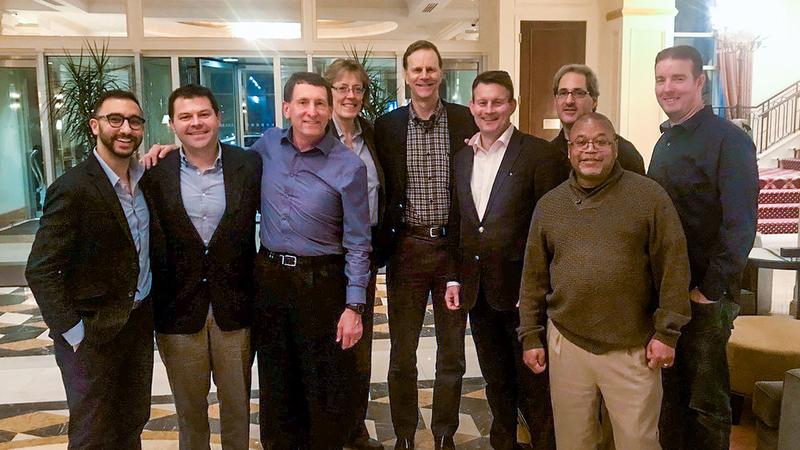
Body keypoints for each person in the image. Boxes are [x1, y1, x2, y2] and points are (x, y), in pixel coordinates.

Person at [518, 112, 691, 450]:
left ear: (615, 147)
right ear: (569, 150)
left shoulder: (649, 198)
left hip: (633, 347)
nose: (590, 149)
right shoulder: (550, 206)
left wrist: (667, 332)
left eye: (600, 142)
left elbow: (674, 266)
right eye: (581, 142)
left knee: (637, 442)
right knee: (574, 442)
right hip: (568, 343)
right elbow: (533, 277)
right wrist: (530, 336)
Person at [26, 90, 159, 449]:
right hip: (91, 333)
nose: (125, 129)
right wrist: (74, 332)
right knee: (93, 431)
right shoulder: (73, 187)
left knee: (132, 421)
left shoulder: (147, 181)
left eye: (134, 121)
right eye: (115, 119)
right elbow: (40, 269)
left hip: (136, 325)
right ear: (94, 125)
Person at [250, 72, 372, 449]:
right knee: (276, 384)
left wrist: (354, 305)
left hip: (322, 284)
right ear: (286, 108)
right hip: (270, 280)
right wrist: (170, 153)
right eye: (302, 102)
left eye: (320, 103)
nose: (311, 111)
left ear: (330, 109)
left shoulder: (349, 167)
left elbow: (358, 243)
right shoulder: (266, 146)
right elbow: (224, 168)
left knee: (324, 388)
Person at [649, 45, 759, 450]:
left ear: (699, 82)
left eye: (678, 78)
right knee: (671, 401)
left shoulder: (729, 141)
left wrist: (709, 291)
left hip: (704, 299)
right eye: (661, 79)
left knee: (706, 405)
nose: (667, 88)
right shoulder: (666, 141)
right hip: (670, 296)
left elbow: (740, 225)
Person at [443, 70, 559, 449]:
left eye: (497, 102)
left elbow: (551, 230)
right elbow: (460, 222)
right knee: (496, 382)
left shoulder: (539, 154)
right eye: (481, 102)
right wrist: (454, 278)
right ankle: (503, 442)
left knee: (535, 385)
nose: (488, 109)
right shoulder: (461, 158)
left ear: (512, 105)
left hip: (523, 294)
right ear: (472, 106)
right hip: (479, 292)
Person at [374, 40, 478, 450]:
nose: (424, 76)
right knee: (402, 352)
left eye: (431, 69)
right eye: (416, 69)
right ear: (405, 74)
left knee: (452, 351)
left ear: (441, 73)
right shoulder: (388, 126)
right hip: (406, 251)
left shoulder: (464, 121)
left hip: (452, 251)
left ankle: (444, 433)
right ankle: (403, 432)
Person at [145, 84, 261, 450]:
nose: (196, 123)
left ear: (218, 118)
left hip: (235, 310)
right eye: (186, 117)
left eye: (203, 114)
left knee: (237, 409)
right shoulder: (153, 172)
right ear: (173, 125)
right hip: (178, 312)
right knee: (189, 414)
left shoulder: (249, 165)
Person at [323, 58, 386, 450]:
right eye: (342, 87)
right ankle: (327, 427)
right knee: (327, 347)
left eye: (357, 88)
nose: (350, 95)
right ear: (329, 91)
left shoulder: (374, 136)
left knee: (359, 347)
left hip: (364, 257)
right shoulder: (312, 135)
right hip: (324, 259)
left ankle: (355, 428)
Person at [549, 64, 645, 175]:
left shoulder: (624, 152)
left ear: (594, 101)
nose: (569, 101)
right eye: (563, 93)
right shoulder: (547, 155)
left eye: (579, 93)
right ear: (556, 100)